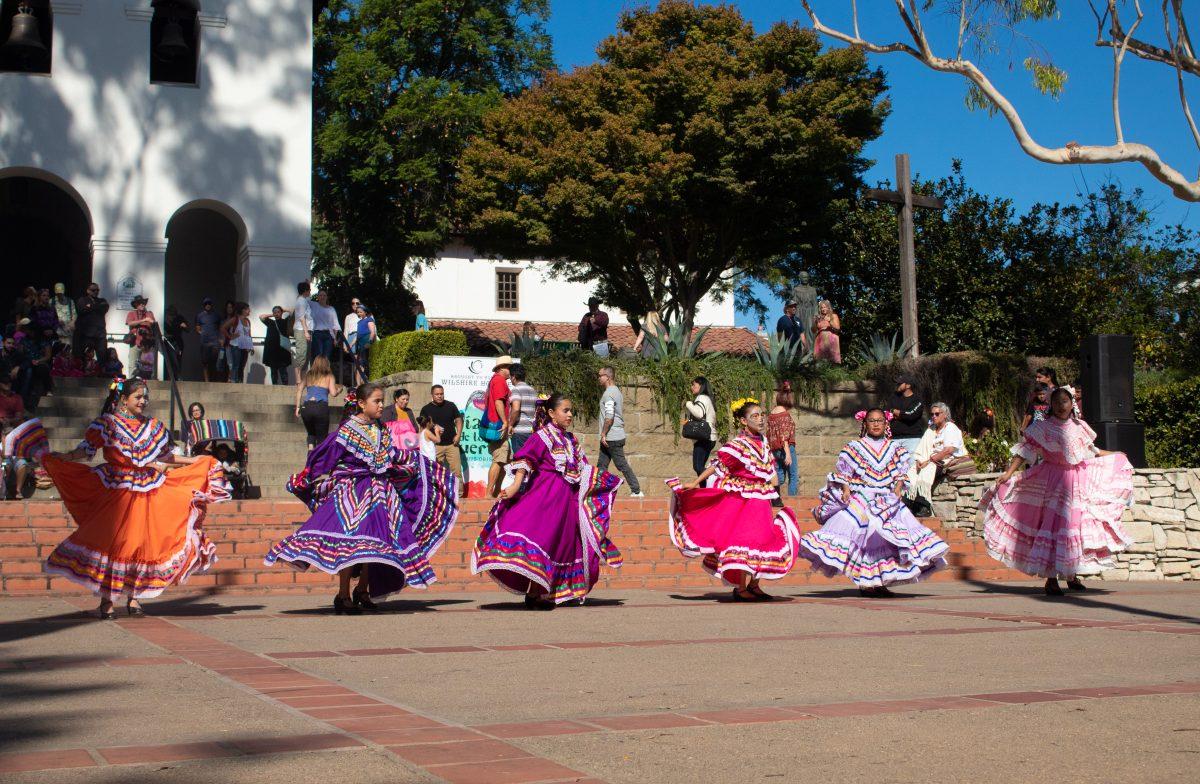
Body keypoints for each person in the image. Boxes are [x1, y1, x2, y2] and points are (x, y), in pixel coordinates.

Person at [41, 377, 230, 619]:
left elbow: (166, 457)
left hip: (148, 489)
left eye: (145, 397)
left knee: (142, 544)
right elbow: (85, 451)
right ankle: (107, 601)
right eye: (138, 397)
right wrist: (65, 457)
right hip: (117, 489)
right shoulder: (107, 424)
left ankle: (134, 599)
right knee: (115, 544)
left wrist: (196, 461)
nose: (143, 401)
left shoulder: (153, 426)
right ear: (123, 399)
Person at [265, 382, 460, 612]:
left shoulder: (381, 429)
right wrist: (306, 478)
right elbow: (323, 457)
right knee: (352, 543)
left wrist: (415, 462)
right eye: (376, 401)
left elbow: (392, 454)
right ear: (360, 403)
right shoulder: (347, 431)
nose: (380, 405)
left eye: (381, 400)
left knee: (374, 544)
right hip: (353, 492)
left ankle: (362, 590)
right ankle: (343, 593)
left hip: (380, 492)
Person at [473, 393, 623, 608]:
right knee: (544, 540)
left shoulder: (571, 440)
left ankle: (550, 592)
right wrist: (515, 486)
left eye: (571, 411)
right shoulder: (541, 436)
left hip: (567, 503)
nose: (570, 415)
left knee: (563, 546)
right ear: (552, 413)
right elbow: (525, 460)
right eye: (566, 410)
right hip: (545, 499)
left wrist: (607, 482)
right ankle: (535, 592)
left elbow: (583, 468)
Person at [981, 387, 1134, 596]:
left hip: (1077, 481)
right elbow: (1026, 451)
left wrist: (1116, 454)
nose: (1061, 406)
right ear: (1051, 406)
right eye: (1057, 402)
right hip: (1053, 479)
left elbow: (1091, 452)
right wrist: (1009, 473)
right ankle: (1051, 579)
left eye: (1065, 401)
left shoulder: (1080, 427)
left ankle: (1071, 575)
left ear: (1072, 403)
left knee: (1075, 527)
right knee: (1053, 527)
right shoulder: (1043, 427)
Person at [798, 408, 949, 596]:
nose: (876, 424)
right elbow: (844, 473)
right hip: (862, 496)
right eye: (872, 421)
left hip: (887, 499)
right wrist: (845, 490)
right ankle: (866, 584)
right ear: (865, 424)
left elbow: (901, 472)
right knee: (866, 542)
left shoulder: (895, 448)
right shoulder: (854, 447)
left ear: (886, 424)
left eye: (879, 421)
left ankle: (879, 583)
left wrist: (898, 487)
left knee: (889, 541)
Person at [667, 398, 801, 601]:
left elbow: (769, 468)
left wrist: (773, 479)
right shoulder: (738, 444)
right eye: (754, 416)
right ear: (744, 421)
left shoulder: (763, 442)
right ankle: (740, 588)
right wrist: (696, 483)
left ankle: (755, 584)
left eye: (761, 415)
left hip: (762, 498)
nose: (761, 419)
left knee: (764, 540)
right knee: (746, 541)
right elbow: (718, 464)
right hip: (744, 501)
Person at [906, 402, 967, 504]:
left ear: (945, 414)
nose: (934, 416)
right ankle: (908, 499)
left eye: (937, 414)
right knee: (912, 471)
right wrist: (919, 460)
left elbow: (948, 450)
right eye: (932, 414)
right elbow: (921, 448)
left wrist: (929, 461)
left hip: (948, 459)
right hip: (931, 459)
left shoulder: (950, 427)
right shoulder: (931, 430)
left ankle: (923, 503)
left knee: (928, 469)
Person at [597, 366, 643, 497]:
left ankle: (636, 490)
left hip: (612, 438)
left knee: (621, 464)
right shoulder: (616, 391)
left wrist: (604, 434)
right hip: (610, 437)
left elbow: (609, 416)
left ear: (608, 377)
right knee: (601, 466)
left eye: (600, 375)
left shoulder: (609, 393)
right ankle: (599, 492)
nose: (599, 378)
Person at [419, 385, 464, 494]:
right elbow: (422, 427)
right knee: (436, 472)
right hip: (435, 446)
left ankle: (459, 496)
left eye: (441, 394)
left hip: (452, 444)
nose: (440, 396)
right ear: (432, 395)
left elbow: (458, 420)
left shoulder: (451, 405)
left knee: (456, 471)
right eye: (437, 394)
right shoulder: (426, 409)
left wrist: (458, 434)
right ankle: (438, 495)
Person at [295, 356, 341, 450]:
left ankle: (310, 456)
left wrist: (298, 407)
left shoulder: (309, 374)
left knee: (311, 433)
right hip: (320, 407)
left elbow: (299, 389)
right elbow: (333, 393)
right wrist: (339, 390)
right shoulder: (329, 376)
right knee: (322, 438)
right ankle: (319, 462)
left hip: (307, 407)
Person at [484, 356, 513, 498]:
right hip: (498, 425)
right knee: (498, 459)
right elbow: (498, 403)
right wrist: (505, 421)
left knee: (504, 460)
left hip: (497, 425)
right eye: (508, 367)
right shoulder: (499, 380)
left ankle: (495, 491)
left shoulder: (495, 380)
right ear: (501, 368)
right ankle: (488, 493)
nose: (510, 370)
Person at [767, 383, 798, 498]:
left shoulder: (771, 414)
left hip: (775, 450)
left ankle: (773, 497)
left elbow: (769, 433)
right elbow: (784, 436)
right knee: (793, 476)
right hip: (786, 448)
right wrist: (788, 454)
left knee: (779, 476)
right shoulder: (785, 414)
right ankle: (793, 503)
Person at [682, 376, 717, 475]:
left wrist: (688, 404)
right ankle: (705, 489)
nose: (691, 387)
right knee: (699, 467)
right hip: (709, 437)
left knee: (698, 466)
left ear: (701, 386)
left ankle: (715, 480)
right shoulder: (708, 398)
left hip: (703, 438)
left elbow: (699, 414)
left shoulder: (701, 397)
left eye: (694, 385)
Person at [888, 374, 925, 455]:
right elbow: (888, 412)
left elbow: (911, 415)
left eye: (899, 383)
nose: (897, 385)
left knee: (912, 466)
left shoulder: (917, 400)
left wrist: (898, 413)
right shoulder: (894, 397)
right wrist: (901, 413)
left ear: (908, 385)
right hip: (894, 439)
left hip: (912, 439)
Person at [73, 282, 108, 362]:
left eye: (97, 290)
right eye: (93, 290)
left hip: (100, 334)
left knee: (102, 356)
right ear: (88, 291)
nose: (96, 292)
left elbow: (104, 308)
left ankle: (100, 373)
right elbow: (81, 310)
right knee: (84, 356)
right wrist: (96, 306)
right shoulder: (82, 300)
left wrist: (89, 307)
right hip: (86, 334)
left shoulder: (102, 300)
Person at [507, 363, 537, 455]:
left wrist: (510, 425)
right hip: (531, 431)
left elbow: (516, 409)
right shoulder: (533, 390)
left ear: (513, 377)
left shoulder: (516, 390)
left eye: (510, 377)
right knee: (529, 461)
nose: (510, 379)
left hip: (519, 431)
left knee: (519, 462)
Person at [259, 305, 292, 385]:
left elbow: (293, 312)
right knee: (273, 373)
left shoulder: (285, 321)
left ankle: (286, 387)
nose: (276, 314)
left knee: (283, 371)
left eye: (278, 312)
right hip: (272, 351)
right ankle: (274, 388)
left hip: (282, 351)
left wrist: (284, 310)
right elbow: (261, 317)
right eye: (275, 312)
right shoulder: (270, 322)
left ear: (281, 313)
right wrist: (272, 314)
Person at [221, 302, 253, 384]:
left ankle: (240, 382)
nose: (249, 311)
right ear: (243, 310)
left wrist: (251, 346)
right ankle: (233, 381)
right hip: (236, 345)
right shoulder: (235, 319)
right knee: (236, 364)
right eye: (248, 309)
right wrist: (230, 336)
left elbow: (248, 334)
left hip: (244, 346)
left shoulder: (248, 321)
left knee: (242, 366)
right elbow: (223, 328)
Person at [124, 296, 156, 377]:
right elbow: (130, 323)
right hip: (135, 342)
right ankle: (131, 383)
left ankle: (150, 383)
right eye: (140, 303)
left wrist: (150, 322)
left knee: (149, 365)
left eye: (143, 303)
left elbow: (153, 323)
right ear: (136, 304)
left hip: (147, 343)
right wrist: (143, 321)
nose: (142, 304)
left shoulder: (149, 313)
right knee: (132, 364)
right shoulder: (131, 313)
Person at [194, 298, 223, 382]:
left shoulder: (216, 315)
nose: (208, 305)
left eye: (209, 304)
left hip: (214, 342)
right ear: (203, 305)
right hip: (204, 342)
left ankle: (214, 380)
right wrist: (202, 333)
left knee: (214, 362)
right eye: (206, 304)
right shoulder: (200, 316)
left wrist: (220, 338)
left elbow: (221, 327)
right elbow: (197, 327)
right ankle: (207, 381)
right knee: (205, 362)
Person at [309, 291, 340, 359]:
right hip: (317, 333)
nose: (322, 297)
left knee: (327, 356)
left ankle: (324, 370)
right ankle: (318, 370)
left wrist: (335, 338)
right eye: (320, 295)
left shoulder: (331, 309)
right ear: (317, 297)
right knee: (318, 356)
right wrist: (307, 286)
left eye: (324, 295)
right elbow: (304, 299)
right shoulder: (314, 305)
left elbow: (335, 324)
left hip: (328, 334)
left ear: (327, 297)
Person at [292, 281, 313, 377]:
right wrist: (306, 332)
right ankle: (298, 379)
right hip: (301, 330)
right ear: (305, 290)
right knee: (301, 354)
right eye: (309, 290)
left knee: (306, 355)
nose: (310, 292)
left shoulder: (303, 300)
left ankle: (302, 378)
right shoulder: (301, 301)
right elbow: (301, 317)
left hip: (306, 330)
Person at [162, 305, 188, 377]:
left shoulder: (179, 319)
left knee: (177, 360)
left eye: (173, 315)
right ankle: (169, 377)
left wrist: (184, 326)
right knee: (169, 360)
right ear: (167, 314)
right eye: (170, 315)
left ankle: (177, 376)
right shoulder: (164, 320)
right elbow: (168, 330)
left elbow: (188, 329)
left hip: (177, 343)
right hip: (167, 342)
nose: (172, 317)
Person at [354, 303, 376, 381]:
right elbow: (357, 335)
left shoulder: (369, 319)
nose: (359, 313)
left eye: (361, 312)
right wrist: (351, 344)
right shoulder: (359, 322)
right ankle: (362, 380)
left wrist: (369, 342)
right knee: (361, 362)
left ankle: (369, 377)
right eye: (358, 312)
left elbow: (372, 332)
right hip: (359, 344)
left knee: (366, 361)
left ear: (365, 312)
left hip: (366, 341)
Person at [52, 282, 76, 349]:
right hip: (56, 333)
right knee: (57, 352)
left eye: (61, 293)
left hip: (68, 332)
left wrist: (72, 323)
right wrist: (57, 321)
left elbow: (74, 314)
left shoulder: (70, 301)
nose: (59, 294)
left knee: (68, 351)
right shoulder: (52, 301)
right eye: (58, 293)